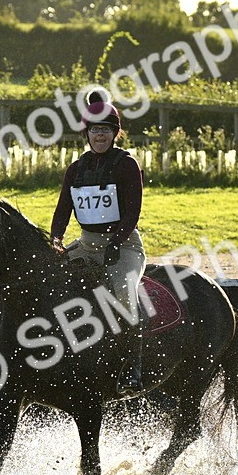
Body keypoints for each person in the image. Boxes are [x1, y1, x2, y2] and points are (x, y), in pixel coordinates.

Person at [50, 91, 147, 395]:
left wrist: (117, 242)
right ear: (87, 134)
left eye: (106, 130)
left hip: (124, 245)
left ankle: (134, 364)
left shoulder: (127, 165)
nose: (100, 135)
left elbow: (132, 212)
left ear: (115, 133)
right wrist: (56, 240)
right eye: (95, 130)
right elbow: (63, 209)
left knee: (124, 293)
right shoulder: (76, 169)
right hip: (87, 243)